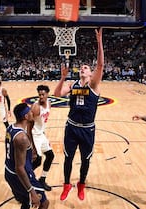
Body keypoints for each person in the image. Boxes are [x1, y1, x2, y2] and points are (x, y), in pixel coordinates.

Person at [54, 28, 104, 201]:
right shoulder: (72, 84)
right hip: (72, 127)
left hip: (88, 129)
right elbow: (57, 94)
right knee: (68, 158)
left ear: (90, 73)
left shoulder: (94, 85)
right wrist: (61, 78)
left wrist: (99, 42)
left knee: (85, 160)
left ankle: (81, 184)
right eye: (81, 67)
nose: (83, 68)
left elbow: (100, 65)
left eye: (86, 67)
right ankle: (67, 184)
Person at [30, 85, 55, 191]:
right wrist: (31, 145)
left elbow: (42, 121)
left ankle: (42, 179)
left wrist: (43, 134)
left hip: (41, 134)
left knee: (50, 156)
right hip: (34, 135)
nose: (41, 97)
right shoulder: (35, 107)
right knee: (37, 161)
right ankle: (24, 177)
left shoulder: (49, 103)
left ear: (47, 94)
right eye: (39, 94)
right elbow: (28, 126)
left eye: (43, 94)